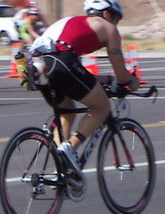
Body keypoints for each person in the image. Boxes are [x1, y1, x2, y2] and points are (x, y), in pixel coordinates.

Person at [30, 0, 139, 178]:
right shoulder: (108, 28)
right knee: (102, 107)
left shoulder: (73, 22)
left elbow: (75, 73)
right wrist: (132, 81)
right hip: (61, 60)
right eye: (116, 18)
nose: (116, 24)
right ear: (106, 13)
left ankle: (62, 169)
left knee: (67, 112)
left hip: (36, 63)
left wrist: (105, 79)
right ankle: (70, 147)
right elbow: (122, 76)